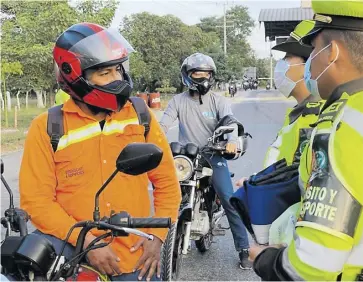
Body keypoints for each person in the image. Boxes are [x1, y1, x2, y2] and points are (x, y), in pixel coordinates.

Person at [19, 23, 181, 281]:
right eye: (105, 73)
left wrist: (157, 238)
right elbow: (36, 202)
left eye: (118, 69)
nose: (116, 79)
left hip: (135, 259)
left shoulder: (140, 115)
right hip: (75, 261)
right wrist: (86, 242)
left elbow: (168, 185)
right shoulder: (48, 127)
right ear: (75, 76)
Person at [249, 1, 363, 280]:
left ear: (333, 52)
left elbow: (315, 264)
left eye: (313, 49)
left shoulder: (344, 125)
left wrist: (265, 260)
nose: (312, 59)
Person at [159, 53, 252, 269]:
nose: (203, 78)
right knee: (167, 195)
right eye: (197, 74)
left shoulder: (218, 100)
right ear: (187, 76)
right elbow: (162, 127)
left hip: (213, 155)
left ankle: (243, 249)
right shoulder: (177, 101)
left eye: (206, 74)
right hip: (186, 157)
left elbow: (230, 122)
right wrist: (153, 140)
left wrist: (231, 141)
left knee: (229, 199)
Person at [236, 20, 324, 187]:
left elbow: (304, 180)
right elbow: (287, 166)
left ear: (308, 64)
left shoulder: (317, 116)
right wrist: (256, 181)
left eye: (288, 57)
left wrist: (258, 183)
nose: (281, 64)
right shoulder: (299, 113)